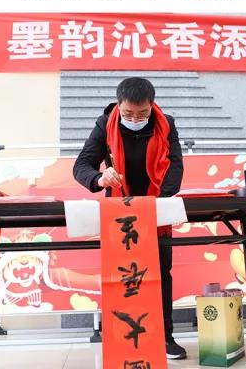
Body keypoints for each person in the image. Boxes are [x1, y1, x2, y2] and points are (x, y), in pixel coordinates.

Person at [73, 77, 186, 360]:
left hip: (155, 210)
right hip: (119, 213)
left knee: (161, 274)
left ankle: (165, 337)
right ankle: (122, 337)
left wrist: (159, 202)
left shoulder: (166, 124)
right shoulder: (105, 124)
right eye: (128, 114)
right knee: (121, 275)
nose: (135, 119)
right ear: (119, 106)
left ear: (152, 106)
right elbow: (81, 165)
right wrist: (100, 178)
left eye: (142, 114)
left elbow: (175, 165)